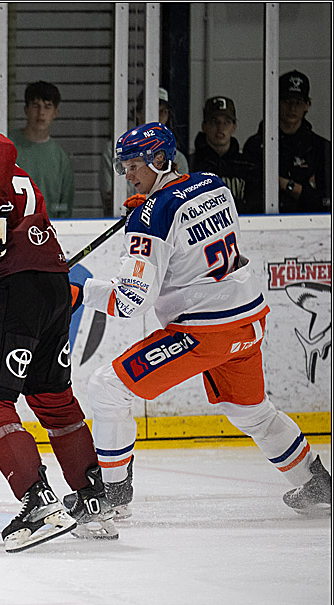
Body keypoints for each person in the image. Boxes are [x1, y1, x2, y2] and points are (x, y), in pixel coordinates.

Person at [75, 122, 331, 519]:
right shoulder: (214, 184)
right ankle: (314, 480)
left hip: (203, 333)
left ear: (160, 159)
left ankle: (112, 495)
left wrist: (82, 292)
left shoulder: (152, 216)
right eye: (123, 166)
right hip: (248, 323)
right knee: (252, 412)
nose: (127, 175)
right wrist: (152, 207)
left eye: (134, 165)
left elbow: (131, 302)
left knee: (107, 389)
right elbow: (189, 231)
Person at [0, 89, 117, 552]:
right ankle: (93, 502)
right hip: (49, 282)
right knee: (53, 399)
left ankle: (39, 503)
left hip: (10, 287)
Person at [244, 70, 332, 214]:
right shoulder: (256, 145)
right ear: (275, 101)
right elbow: (252, 196)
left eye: (298, 102)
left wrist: (287, 185)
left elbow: (325, 201)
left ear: (307, 105)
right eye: (287, 101)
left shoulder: (321, 148)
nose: (292, 108)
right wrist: (303, 190)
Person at [101, 87, 188, 215]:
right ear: (138, 112)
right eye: (151, 110)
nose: (156, 117)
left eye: (163, 112)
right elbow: (112, 201)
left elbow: (179, 203)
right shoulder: (114, 149)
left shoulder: (178, 158)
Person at [8, 81, 74, 219]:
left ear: (56, 112)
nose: (41, 112)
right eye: (35, 106)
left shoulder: (61, 158)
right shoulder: (7, 145)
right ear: (26, 109)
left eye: (47, 107)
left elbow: (65, 208)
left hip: (47, 232)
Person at [190, 96, 261, 215]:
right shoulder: (192, 163)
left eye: (226, 122)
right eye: (214, 121)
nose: (220, 128)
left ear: (234, 127)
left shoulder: (247, 165)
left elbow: (255, 205)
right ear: (204, 126)